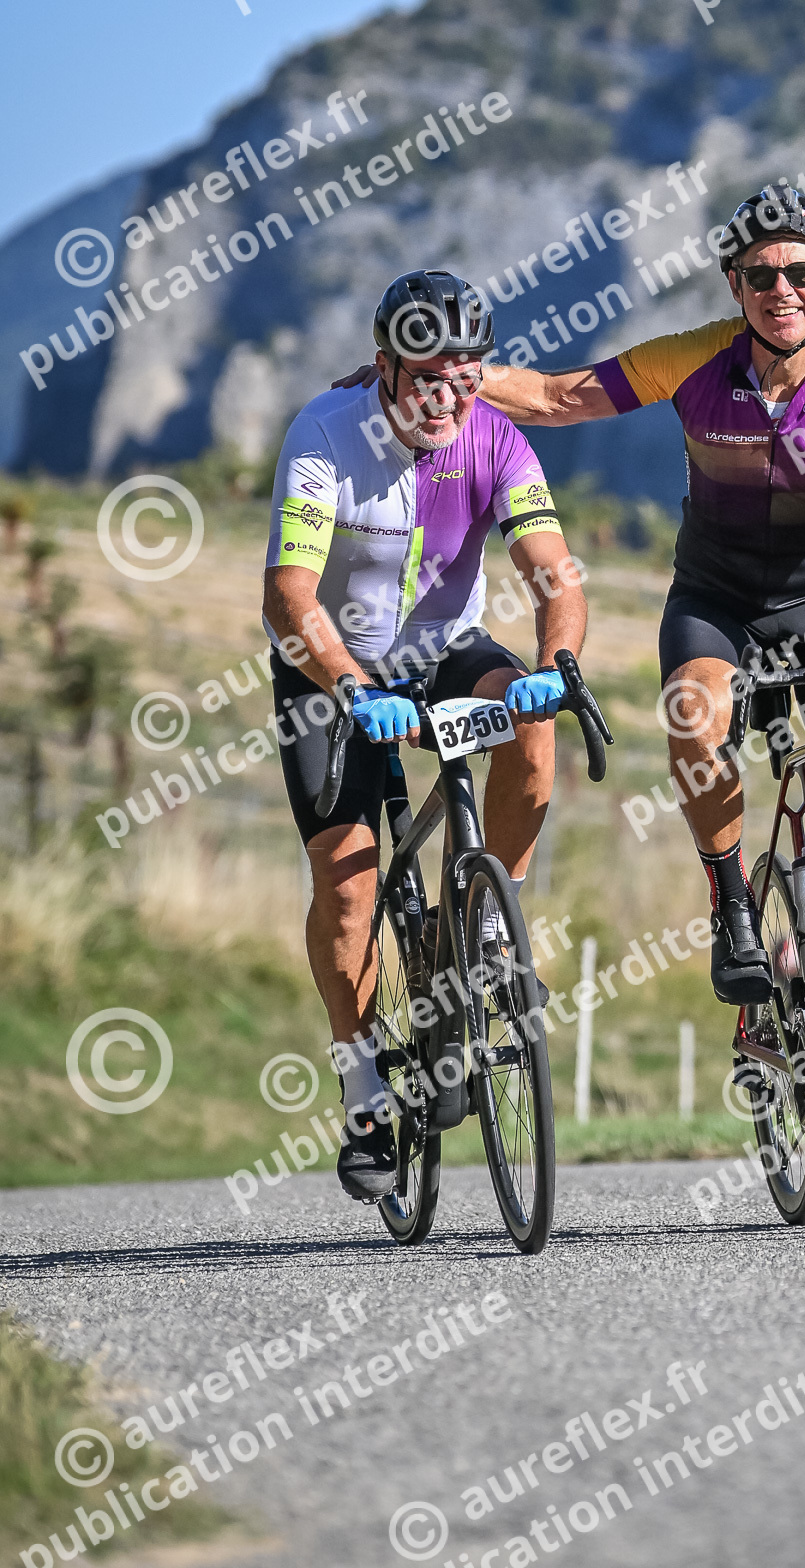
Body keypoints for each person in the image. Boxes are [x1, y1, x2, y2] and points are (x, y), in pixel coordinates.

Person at [336, 191, 805, 1111]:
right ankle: (733, 904)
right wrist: (432, 376)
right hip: (717, 601)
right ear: (735, 285)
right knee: (695, 713)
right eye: (760, 274)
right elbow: (561, 396)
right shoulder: (696, 358)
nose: (781, 289)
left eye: (800, 272)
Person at [262, 270, 586, 1203]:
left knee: (530, 714)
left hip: (444, 649)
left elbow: (555, 573)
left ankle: (484, 926)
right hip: (331, 666)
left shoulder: (497, 439)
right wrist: (352, 689)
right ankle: (364, 1089)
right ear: (384, 367)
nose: (447, 396)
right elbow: (288, 595)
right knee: (348, 891)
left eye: (465, 374)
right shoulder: (325, 435)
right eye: (426, 377)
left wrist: (557, 663)